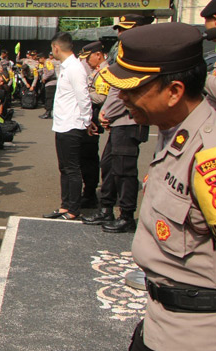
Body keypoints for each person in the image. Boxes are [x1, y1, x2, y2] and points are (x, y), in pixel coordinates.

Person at [97, 22, 216, 351]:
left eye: (132, 91)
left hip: (195, 343)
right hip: (158, 322)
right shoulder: (174, 128)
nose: (122, 100)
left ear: (174, 91)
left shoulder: (209, 154)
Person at [81, 54, 150, 232]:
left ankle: (127, 215)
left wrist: (106, 114)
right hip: (118, 122)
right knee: (109, 166)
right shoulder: (124, 64)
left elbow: (121, 94)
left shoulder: (134, 65)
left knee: (124, 171)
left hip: (129, 121)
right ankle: (106, 209)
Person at [44, 32, 91, 220]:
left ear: (56, 47)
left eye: (52, 48)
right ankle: (65, 205)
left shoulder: (75, 68)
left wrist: (87, 121)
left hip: (72, 125)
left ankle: (73, 209)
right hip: (62, 124)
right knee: (63, 168)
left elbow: (83, 96)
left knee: (72, 169)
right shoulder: (66, 66)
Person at [78, 41, 109, 209]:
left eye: (89, 58)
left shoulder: (104, 72)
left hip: (95, 118)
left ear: (98, 55)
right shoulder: (97, 71)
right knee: (85, 156)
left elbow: (101, 97)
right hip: (91, 116)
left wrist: (82, 93)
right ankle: (88, 191)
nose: (87, 62)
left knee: (89, 157)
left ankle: (90, 194)